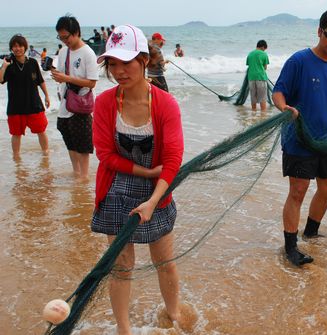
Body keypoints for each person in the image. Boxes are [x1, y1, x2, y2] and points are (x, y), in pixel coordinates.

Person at [92, 24, 191, 333]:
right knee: (121, 266)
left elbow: (173, 160)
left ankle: (173, 316)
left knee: (164, 260)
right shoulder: (105, 102)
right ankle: (123, 328)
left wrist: (153, 199)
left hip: (158, 189)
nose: (119, 71)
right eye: (113, 63)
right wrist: (145, 170)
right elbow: (105, 154)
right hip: (117, 184)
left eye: (127, 62)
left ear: (144, 60)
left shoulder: (165, 104)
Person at [272, 9, 327, 266]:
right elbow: (279, 92)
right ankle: (291, 247)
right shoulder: (299, 61)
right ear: (319, 31)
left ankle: (311, 232)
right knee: (298, 191)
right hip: (298, 139)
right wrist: (284, 108)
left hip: (326, 140)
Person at [51, 15, 98, 180]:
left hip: (80, 104)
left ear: (76, 32)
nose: (64, 41)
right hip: (65, 102)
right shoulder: (63, 51)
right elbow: (64, 74)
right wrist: (57, 75)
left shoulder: (88, 53)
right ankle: (76, 172)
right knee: (69, 138)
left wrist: (67, 78)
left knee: (83, 143)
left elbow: (92, 83)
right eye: (61, 37)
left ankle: (84, 177)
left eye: (66, 37)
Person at [0, 34, 50, 160]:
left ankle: (46, 154)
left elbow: (40, 81)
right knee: (16, 134)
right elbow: (0, 80)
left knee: (41, 131)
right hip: (16, 107)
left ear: (25, 47)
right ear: (11, 48)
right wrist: (4, 66)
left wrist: (47, 96)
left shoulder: (32, 63)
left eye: (20, 46)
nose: (18, 49)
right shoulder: (9, 65)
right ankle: (16, 158)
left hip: (34, 104)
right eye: (15, 46)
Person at [246, 40, 270, 111]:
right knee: (262, 98)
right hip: (261, 77)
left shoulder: (250, 54)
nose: (264, 50)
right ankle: (263, 115)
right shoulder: (264, 54)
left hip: (251, 78)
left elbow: (249, 65)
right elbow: (265, 67)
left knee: (253, 97)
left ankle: (254, 113)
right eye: (264, 49)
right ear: (263, 47)